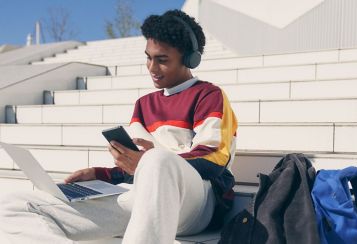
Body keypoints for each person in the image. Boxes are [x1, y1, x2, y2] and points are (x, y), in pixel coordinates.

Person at [0, 9, 237, 244]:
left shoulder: (209, 95)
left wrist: (146, 161)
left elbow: (214, 160)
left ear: (189, 58)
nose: (152, 68)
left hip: (196, 204)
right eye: (148, 57)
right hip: (141, 197)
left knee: (157, 160)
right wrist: (100, 175)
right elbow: (136, 167)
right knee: (14, 205)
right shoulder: (143, 105)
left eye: (162, 60)